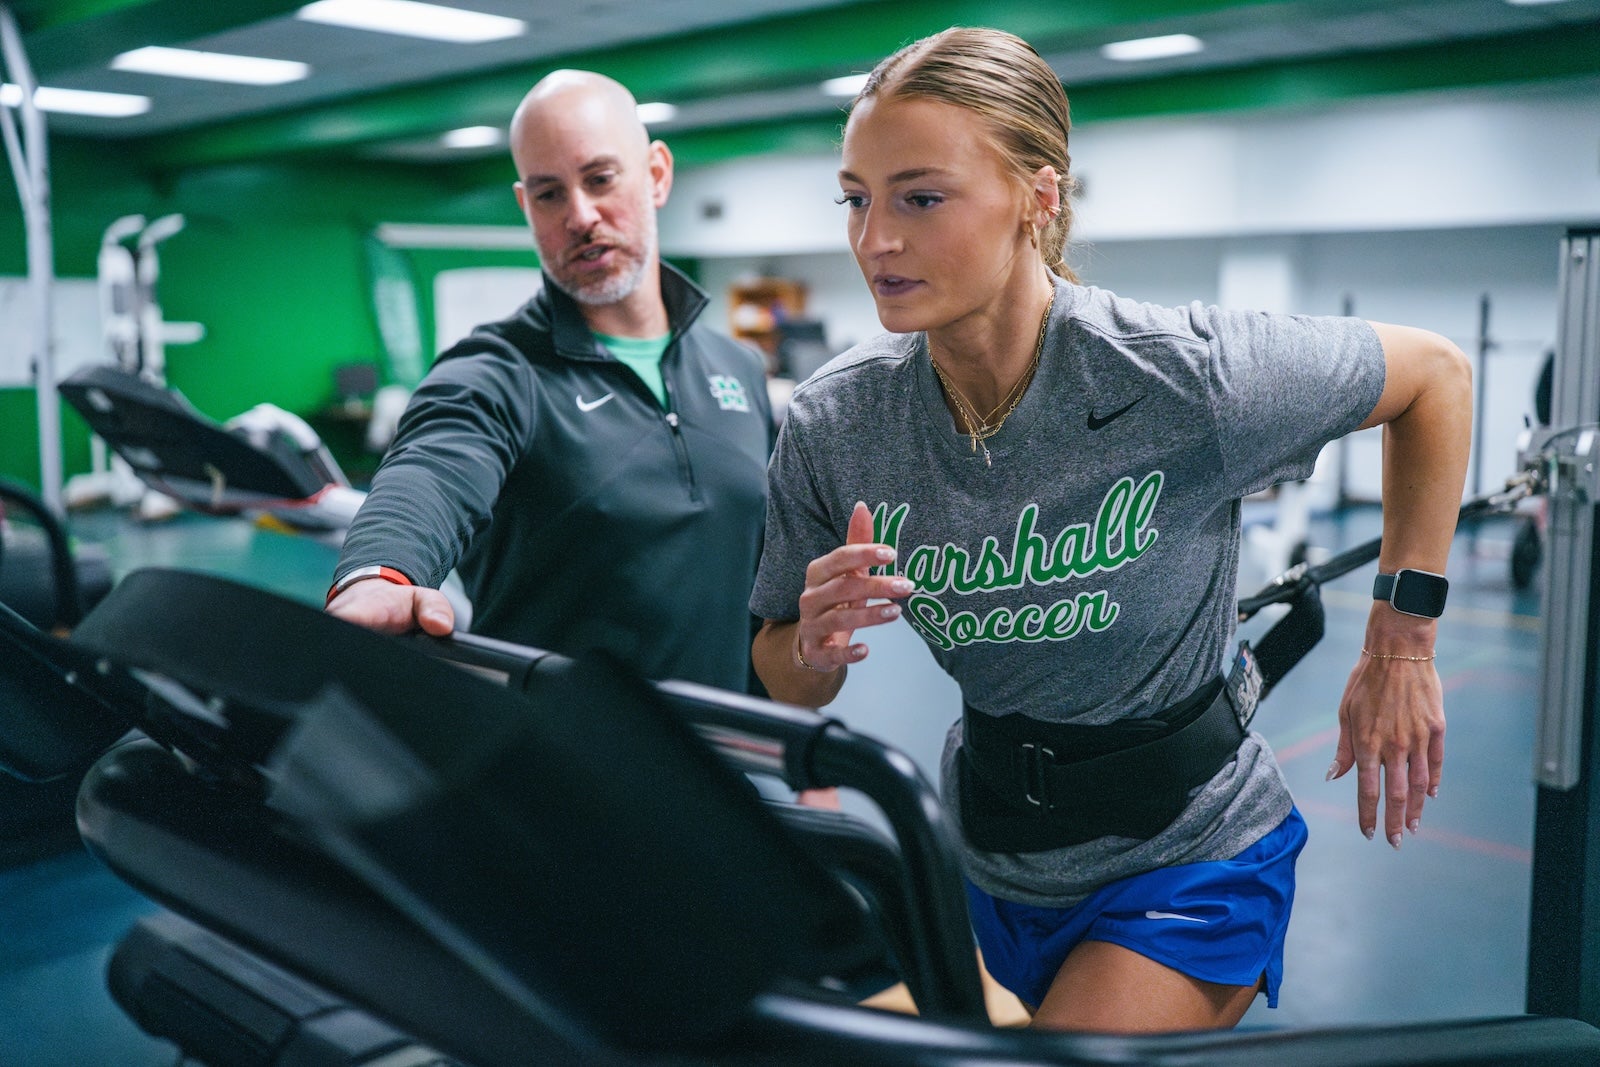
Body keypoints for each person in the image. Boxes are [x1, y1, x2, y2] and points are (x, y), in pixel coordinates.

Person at [749, 28, 1471, 1033]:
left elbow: (1435, 375)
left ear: (1036, 200)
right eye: (855, 198)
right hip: (991, 854)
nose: (875, 240)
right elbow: (781, 675)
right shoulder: (837, 425)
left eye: (920, 197)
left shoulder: (1181, 375)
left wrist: (1402, 636)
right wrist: (814, 643)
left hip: (1191, 856)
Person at [326, 69, 773, 693]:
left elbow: (761, 581)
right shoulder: (495, 372)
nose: (580, 216)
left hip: (733, 755)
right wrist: (382, 572)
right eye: (549, 194)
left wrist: (799, 754)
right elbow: (432, 468)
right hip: (558, 765)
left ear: (657, 174)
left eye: (599, 179)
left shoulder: (737, 368)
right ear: (524, 206)